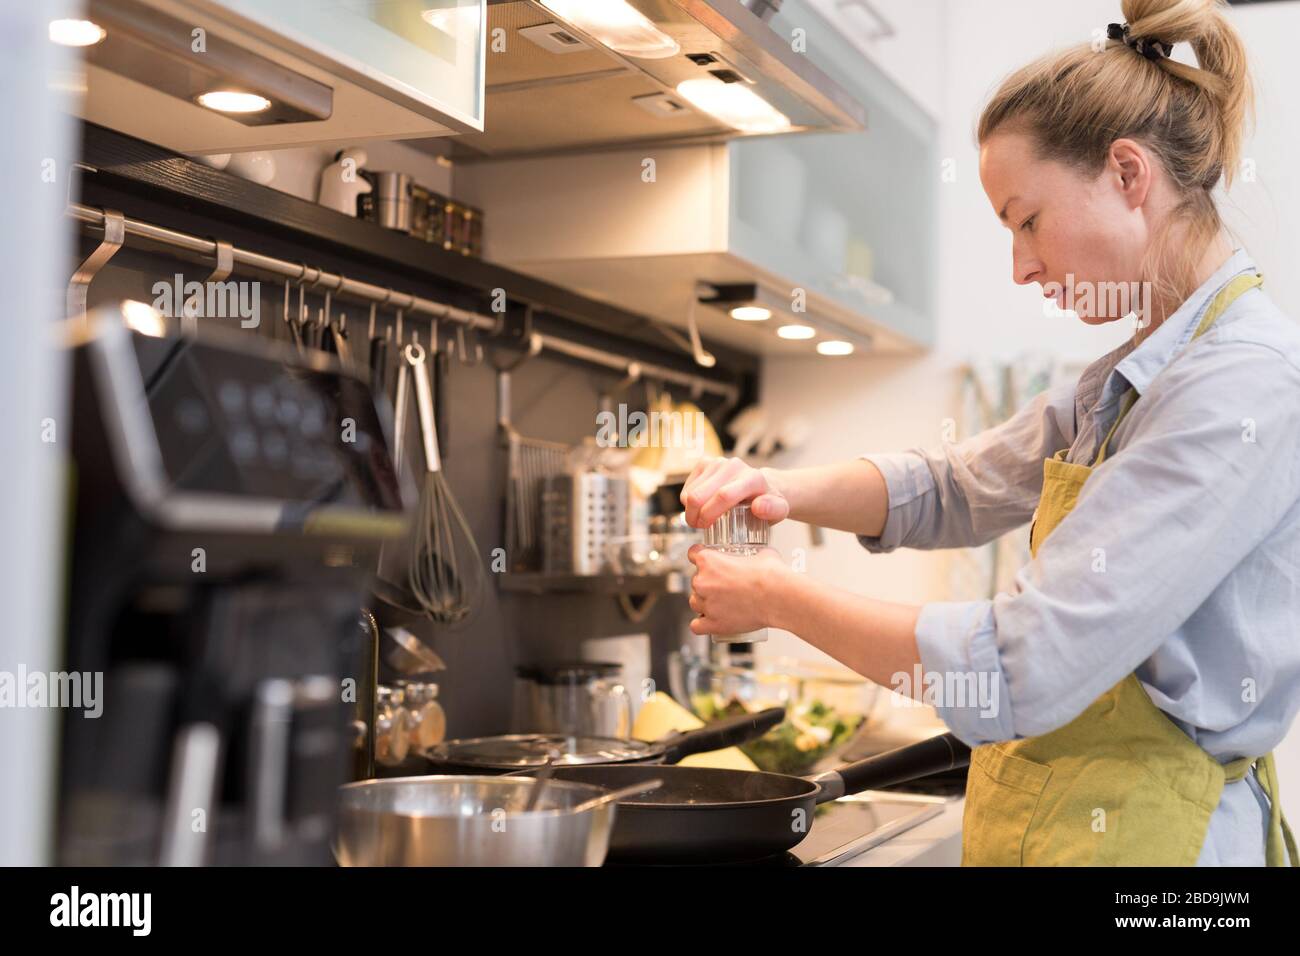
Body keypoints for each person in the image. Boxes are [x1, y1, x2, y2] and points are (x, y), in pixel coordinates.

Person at [681, 0, 1298, 866]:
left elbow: (1026, 665)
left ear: (1128, 175)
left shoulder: (1241, 383)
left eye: (1027, 219)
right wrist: (780, 492)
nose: (1021, 266)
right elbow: (955, 486)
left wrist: (778, 601)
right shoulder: (1129, 376)